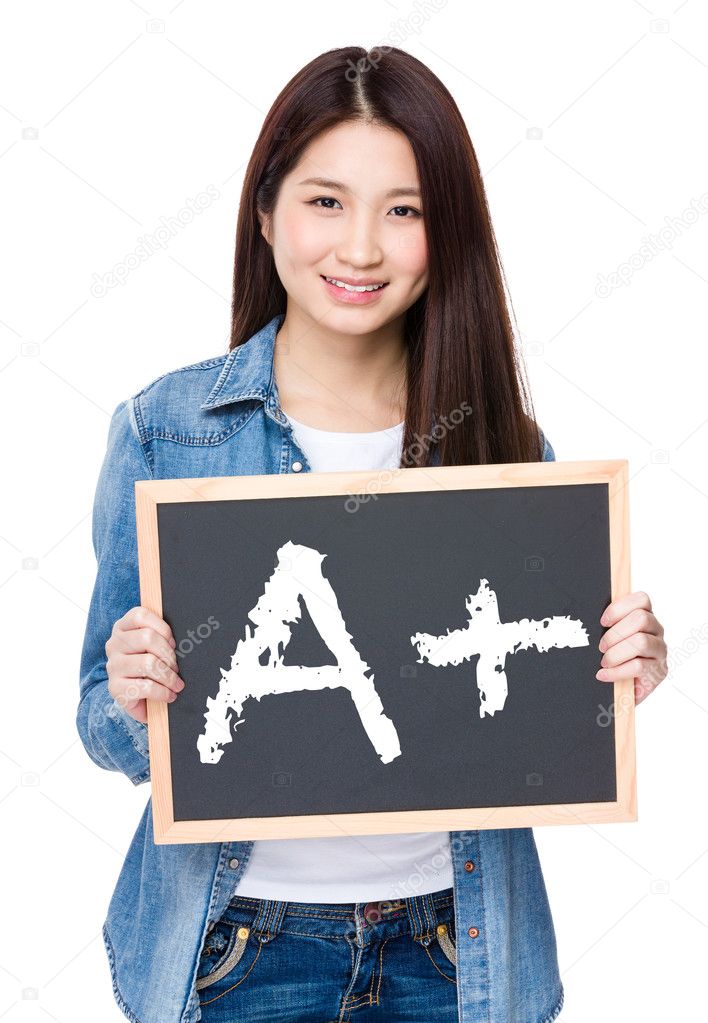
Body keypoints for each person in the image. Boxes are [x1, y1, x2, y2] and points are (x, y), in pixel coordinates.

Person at [77, 45, 668, 1023]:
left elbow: (537, 716)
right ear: (264, 212)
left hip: (456, 946)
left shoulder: (504, 448)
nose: (359, 248)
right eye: (325, 202)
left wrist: (615, 668)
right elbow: (102, 723)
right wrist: (137, 697)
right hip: (235, 953)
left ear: (447, 235)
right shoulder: (166, 431)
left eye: (405, 211)